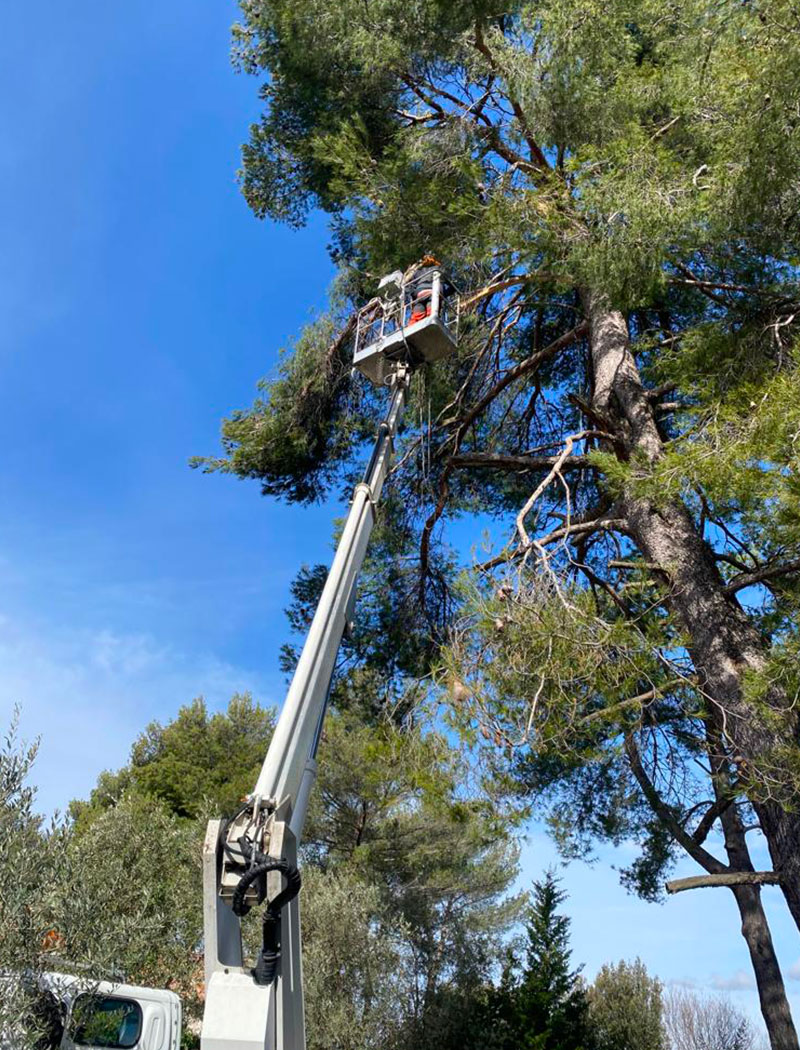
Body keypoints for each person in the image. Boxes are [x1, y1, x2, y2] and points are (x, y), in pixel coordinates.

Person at [404, 255, 441, 324]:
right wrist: (444, 293)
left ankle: (412, 327)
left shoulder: (418, 272)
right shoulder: (439, 269)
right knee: (431, 316)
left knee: (417, 317)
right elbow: (449, 285)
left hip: (420, 295)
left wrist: (413, 294)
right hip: (433, 294)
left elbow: (409, 286)